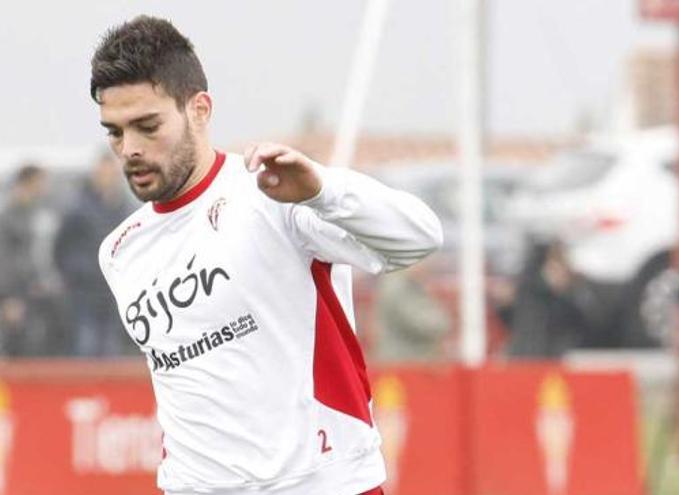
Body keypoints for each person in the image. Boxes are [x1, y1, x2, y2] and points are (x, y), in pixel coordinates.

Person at [91, 16, 442, 495]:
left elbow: (420, 236)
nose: (129, 149)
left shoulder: (272, 193)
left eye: (147, 126)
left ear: (199, 109)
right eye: (114, 132)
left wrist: (322, 191)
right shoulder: (118, 251)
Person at [54, 151, 135, 357]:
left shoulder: (125, 208)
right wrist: (76, 272)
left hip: (114, 291)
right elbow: (61, 246)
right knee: (85, 345)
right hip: (84, 291)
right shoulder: (78, 208)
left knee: (111, 348)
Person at [0, 164, 55, 357]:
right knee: (15, 353)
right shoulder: (4, 218)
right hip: (15, 298)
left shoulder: (37, 215)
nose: (44, 189)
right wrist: (7, 298)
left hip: (34, 297)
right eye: (40, 183)